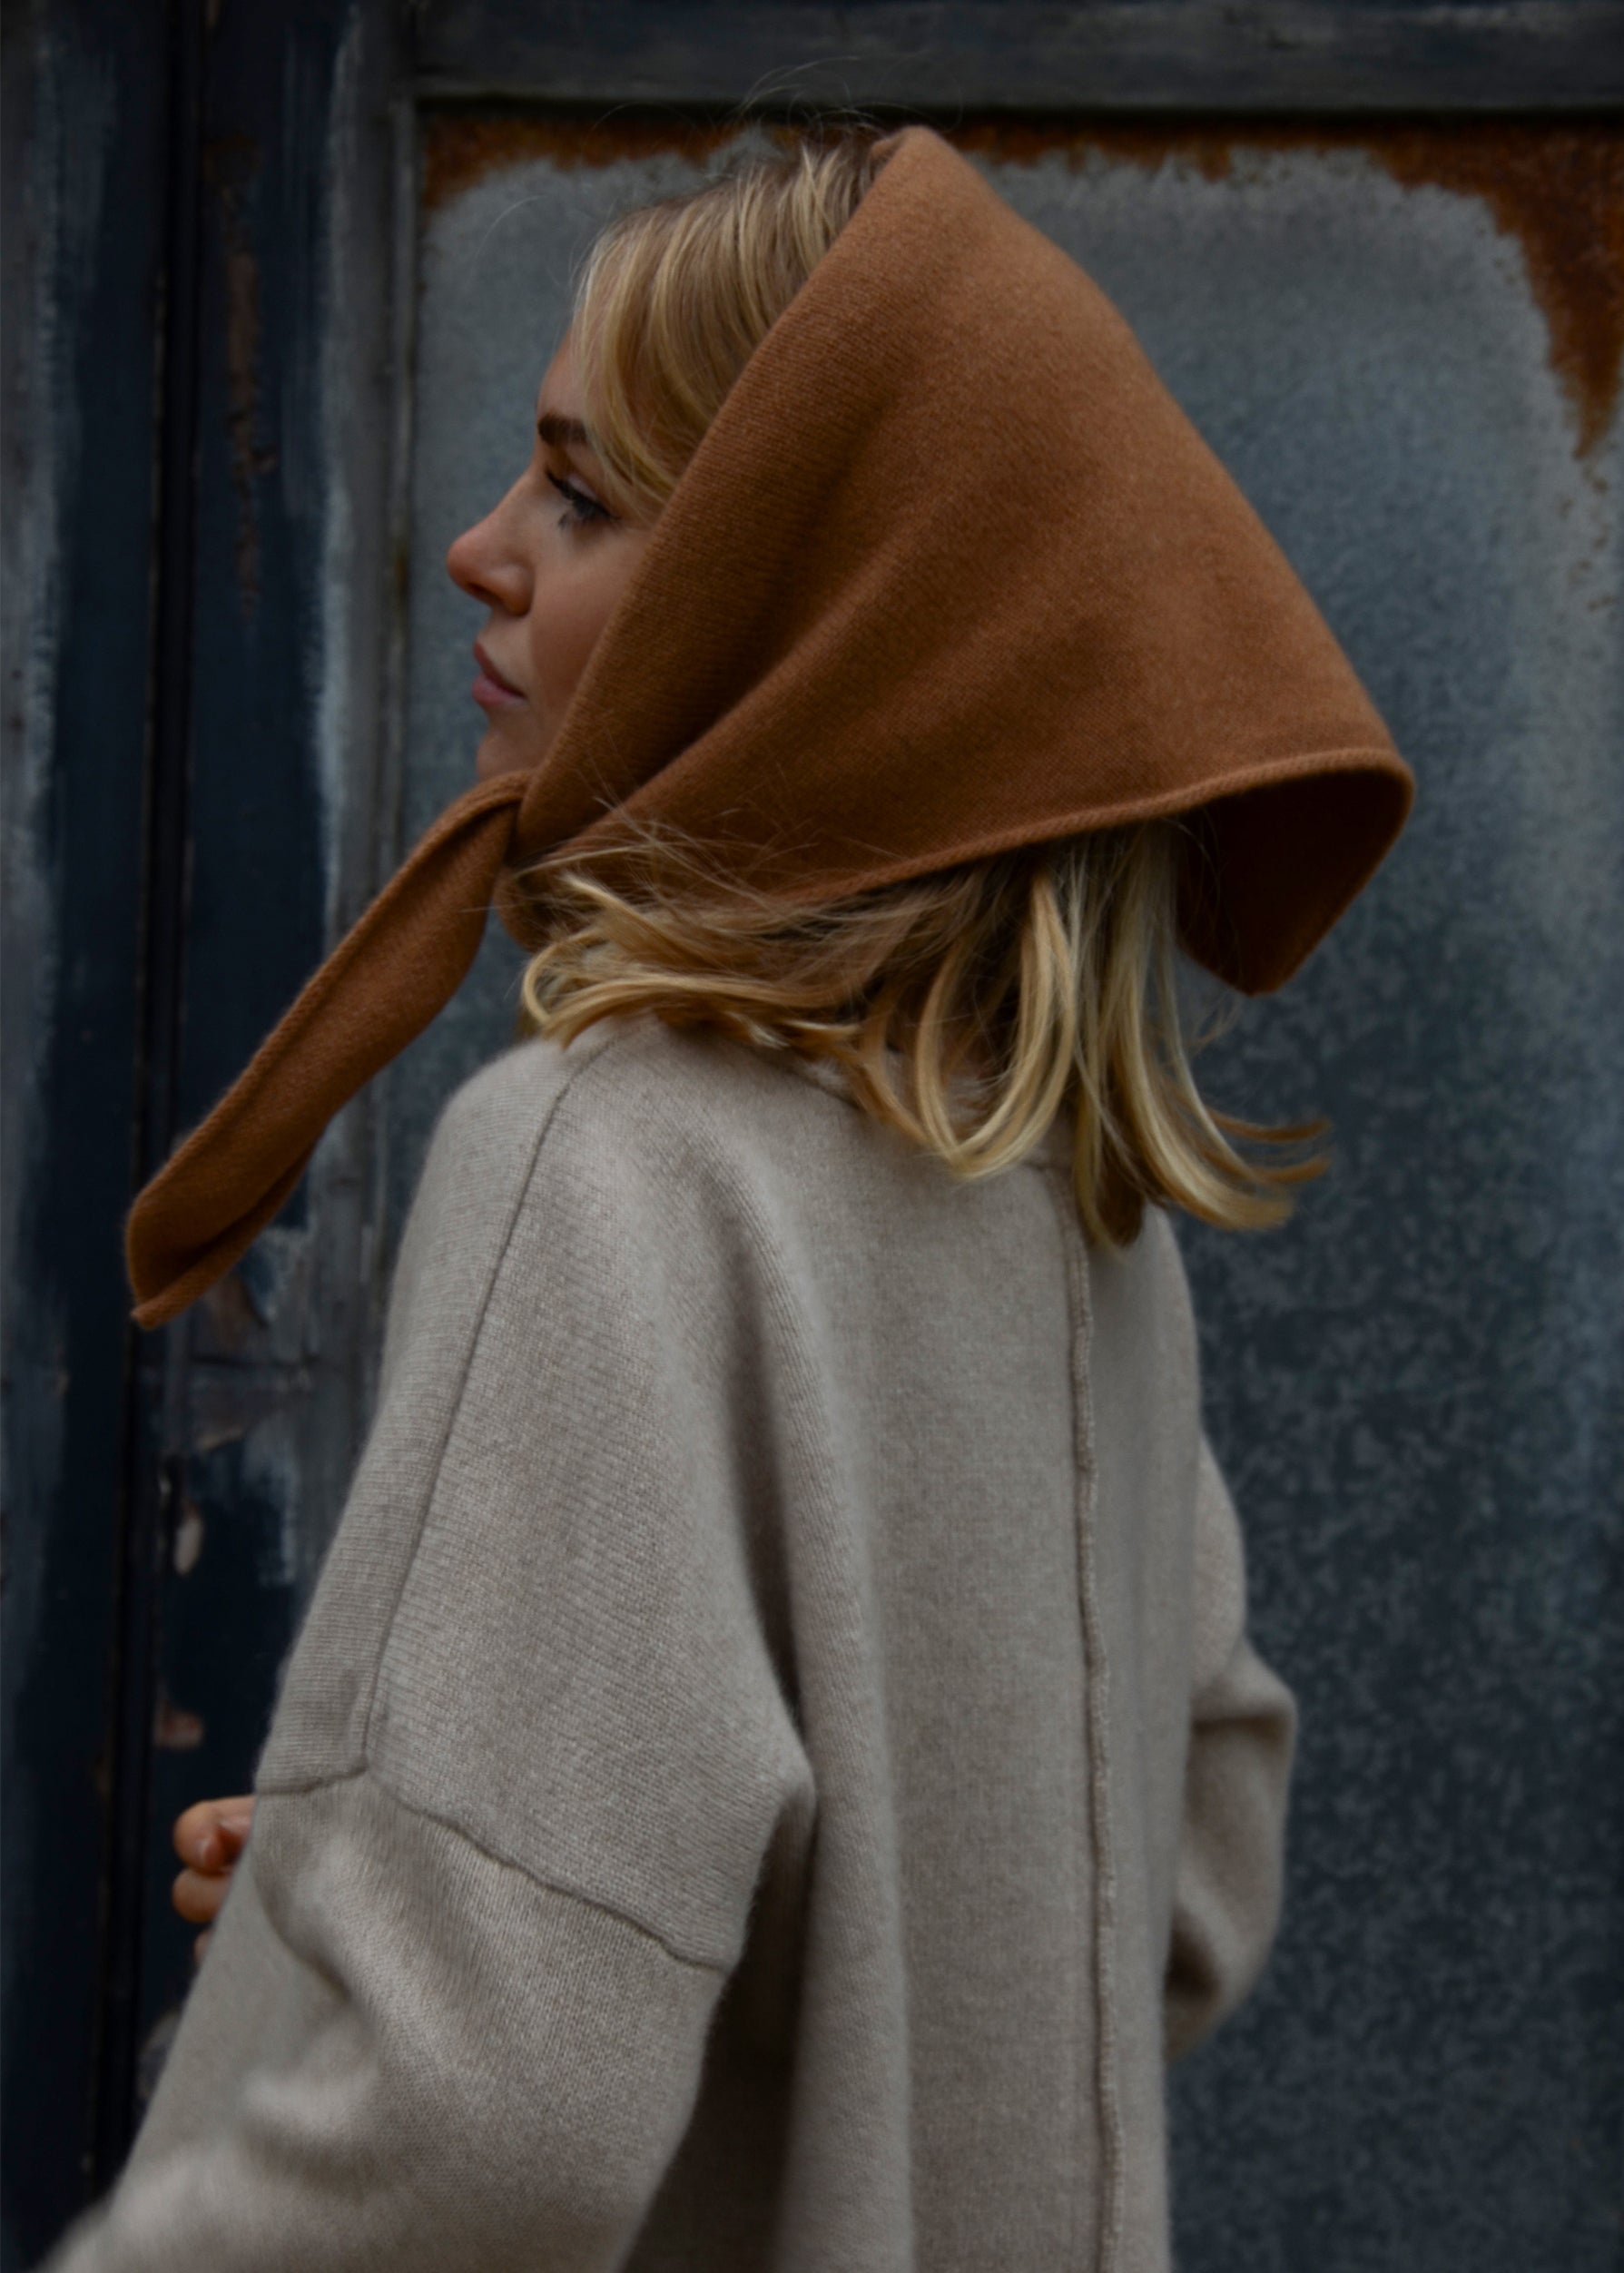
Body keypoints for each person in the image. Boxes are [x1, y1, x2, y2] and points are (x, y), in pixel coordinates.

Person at [54, 123, 1412, 2271]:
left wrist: (477, 1956)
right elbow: (1181, 1884)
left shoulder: (608, 1164)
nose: (481, 551)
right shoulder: (1066, 1207)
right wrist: (449, 1881)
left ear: (810, 625)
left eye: (582, 498)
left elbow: (472, 2120)